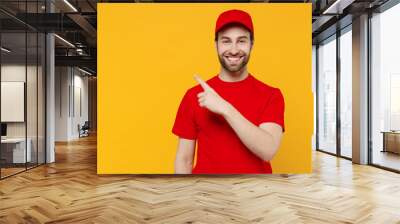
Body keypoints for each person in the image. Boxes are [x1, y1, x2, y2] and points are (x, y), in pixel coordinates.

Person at [172, 9, 285, 174]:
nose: (233, 50)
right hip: (206, 195)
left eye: (241, 41)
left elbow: (267, 151)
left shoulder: (271, 95)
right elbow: (184, 159)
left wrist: (225, 108)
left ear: (251, 44)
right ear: (216, 44)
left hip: (255, 194)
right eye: (226, 41)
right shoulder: (193, 95)